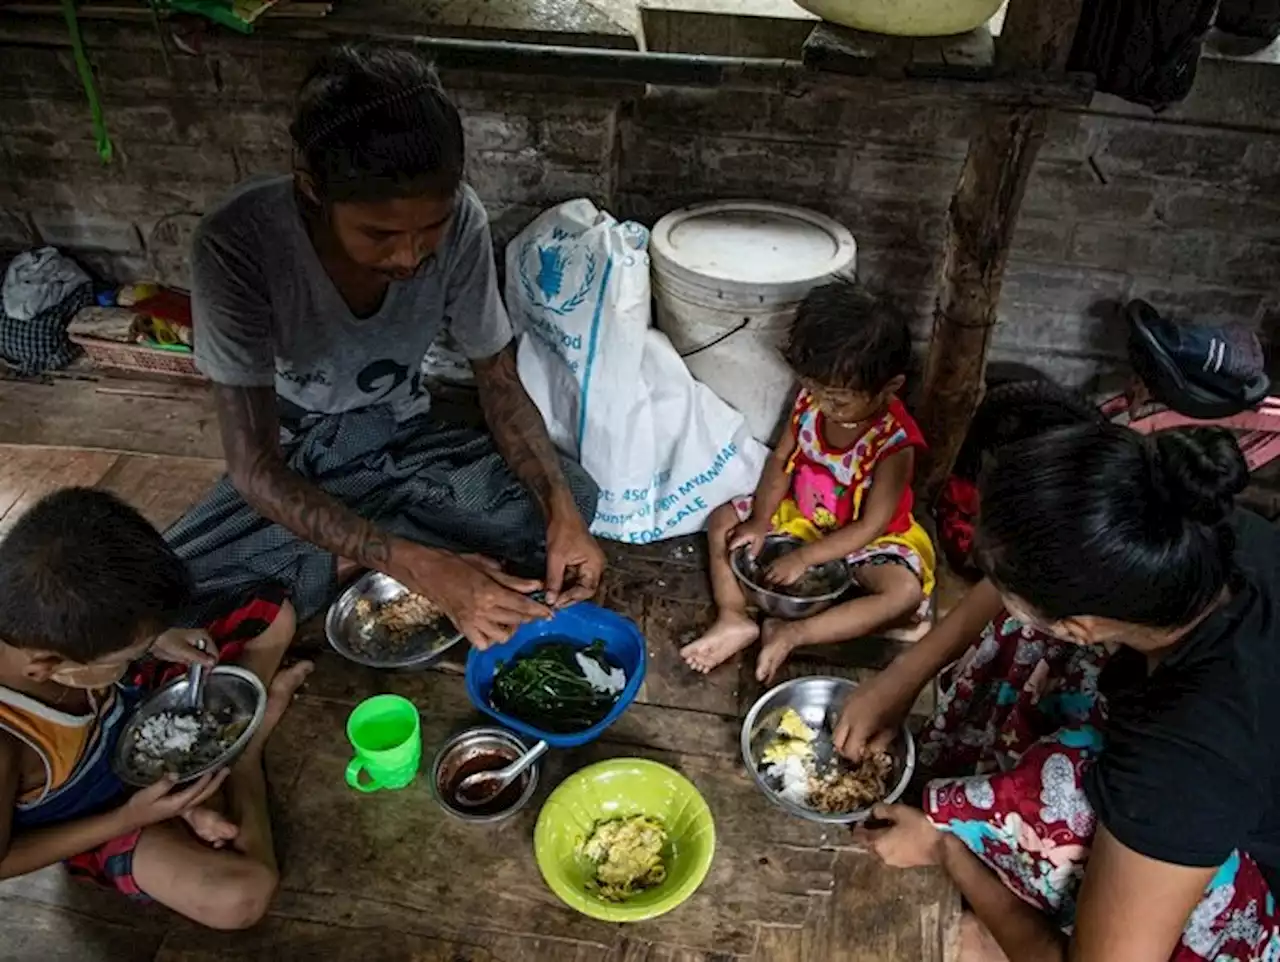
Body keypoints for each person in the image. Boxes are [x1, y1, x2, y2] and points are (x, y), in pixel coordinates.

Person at [166, 43, 605, 646]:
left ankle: (358, 558)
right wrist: (423, 567)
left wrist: (559, 509)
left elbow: (498, 383)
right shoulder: (237, 243)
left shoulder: (466, 223)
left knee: (574, 497)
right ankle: (402, 554)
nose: (410, 256)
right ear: (312, 190)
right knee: (170, 594)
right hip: (302, 458)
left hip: (400, 441)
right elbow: (255, 468)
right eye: (379, 234)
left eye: (432, 227)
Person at [839, 423, 1280, 962]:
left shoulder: (1181, 767)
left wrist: (947, 850)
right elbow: (1018, 578)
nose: (990, 581)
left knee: (1063, 779)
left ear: (1084, 624)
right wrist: (901, 678)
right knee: (1019, 631)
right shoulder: (1180, 523)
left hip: (1256, 889)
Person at [0, 488, 311, 929]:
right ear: (47, 667)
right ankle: (244, 758)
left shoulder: (33, 621)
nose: (140, 651)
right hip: (96, 817)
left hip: (135, 721)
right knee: (240, 896)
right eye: (128, 652)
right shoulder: (7, 743)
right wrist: (130, 817)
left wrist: (160, 642)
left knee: (273, 615)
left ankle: (208, 780)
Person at [681, 281, 936, 683]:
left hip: (867, 541)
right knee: (722, 522)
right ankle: (733, 616)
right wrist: (761, 520)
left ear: (890, 388)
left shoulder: (894, 444)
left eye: (837, 398)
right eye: (813, 388)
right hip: (802, 516)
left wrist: (803, 558)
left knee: (903, 594)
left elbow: (871, 525)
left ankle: (794, 631)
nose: (821, 404)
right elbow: (781, 460)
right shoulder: (809, 404)